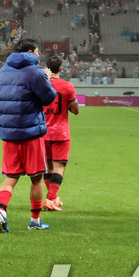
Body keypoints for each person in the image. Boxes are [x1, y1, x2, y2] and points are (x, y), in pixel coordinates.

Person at [0, 39, 58, 233]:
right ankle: (35, 220)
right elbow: (49, 97)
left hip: (10, 131)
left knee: (11, 176)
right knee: (36, 178)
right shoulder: (35, 71)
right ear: (31, 52)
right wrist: (46, 78)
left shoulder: (4, 69)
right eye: (37, 52)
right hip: (30, 131)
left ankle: (1, 211)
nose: (39, 55)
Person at [41, 57, 79, 212]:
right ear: (61, 69)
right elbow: (75, 110)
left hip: (43, 132)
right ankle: (50, 199)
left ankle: (53, 197)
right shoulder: (67, 86)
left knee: (48, 166)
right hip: (60, 132)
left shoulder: (41, 85)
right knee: (59, 166)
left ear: (47, 67)